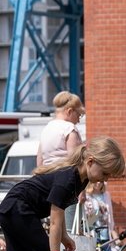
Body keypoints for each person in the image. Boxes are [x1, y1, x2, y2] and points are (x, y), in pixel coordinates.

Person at [38, 91, 86, 231]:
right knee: (70, 230)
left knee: (54, 228)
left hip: (47, 183)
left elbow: (39, 159)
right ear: (70, 111)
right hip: (67, 185)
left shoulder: (47, 128)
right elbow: (75, 161)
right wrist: (81, 190)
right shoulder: (69, 129)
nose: (78, 119)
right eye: (79, 115)